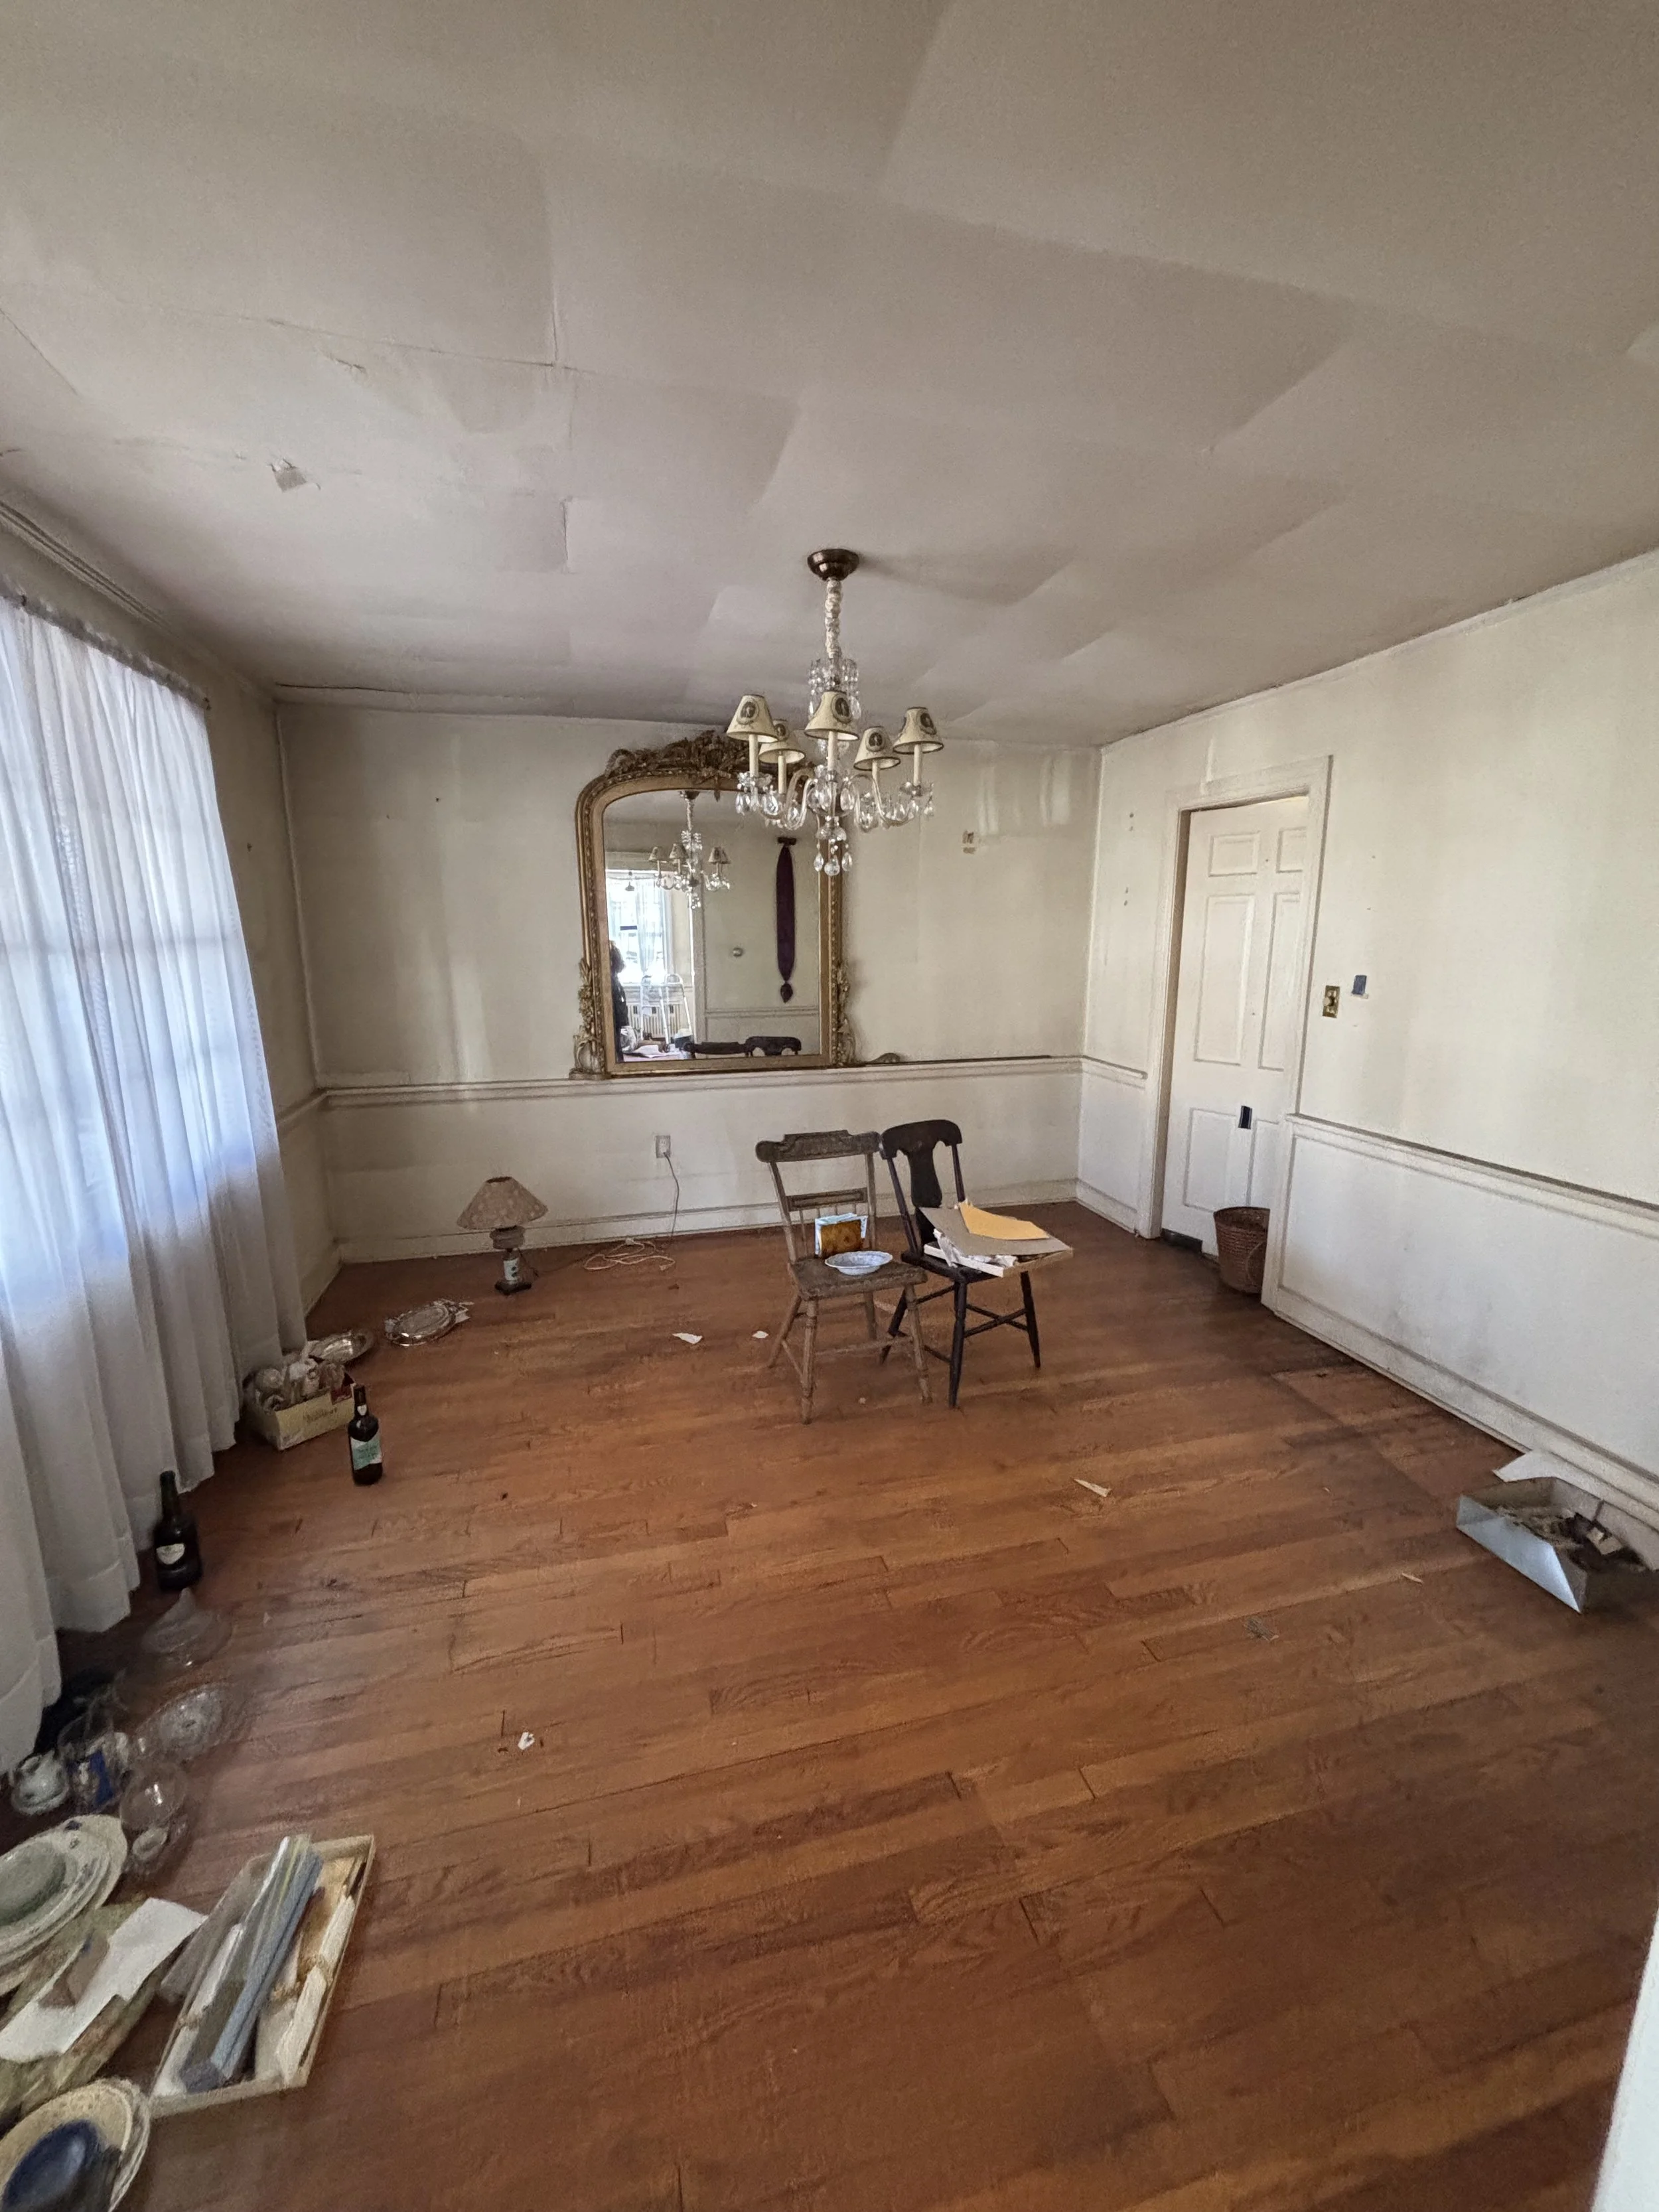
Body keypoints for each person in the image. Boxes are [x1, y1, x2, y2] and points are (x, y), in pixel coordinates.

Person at [609, 940, 629, 1058]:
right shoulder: (613, 979)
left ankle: (619, 1057)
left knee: (616, 1035)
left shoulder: (613, 979)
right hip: (616, 998)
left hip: (616, 1003)